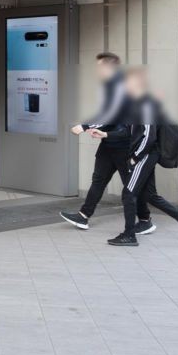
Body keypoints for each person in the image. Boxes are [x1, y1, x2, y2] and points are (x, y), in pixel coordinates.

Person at [99, 68, 178, 246]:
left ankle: (129, 235)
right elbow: (130, 133)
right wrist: (106, 135)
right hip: (145, 154)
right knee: (150, 195)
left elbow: (148, 136)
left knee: (128, 193)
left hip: (144, 155)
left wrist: (135, 158)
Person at [60, 52, 154, 234]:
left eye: (99, 66)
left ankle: (145, 220)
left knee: (131, 186)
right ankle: (83, 216)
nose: (97, 70)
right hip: (108, 141)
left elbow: (112, 113)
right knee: (99, 180)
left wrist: (85, 126)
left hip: (123, 144)